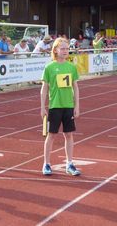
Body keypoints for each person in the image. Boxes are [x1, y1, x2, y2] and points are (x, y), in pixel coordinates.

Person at [40, 37, 81, 177]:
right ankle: (46, 163)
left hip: (68, 106)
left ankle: (69, 163)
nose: (65, 51)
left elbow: (75, 87)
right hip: (55, 106)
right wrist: (42, 107)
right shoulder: (49, 67)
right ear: (55, 50)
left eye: (67, 48)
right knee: (51, 135)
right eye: (62, 48)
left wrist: (77, 106)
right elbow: (44, 89)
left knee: (69, 135)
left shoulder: (71, 67)